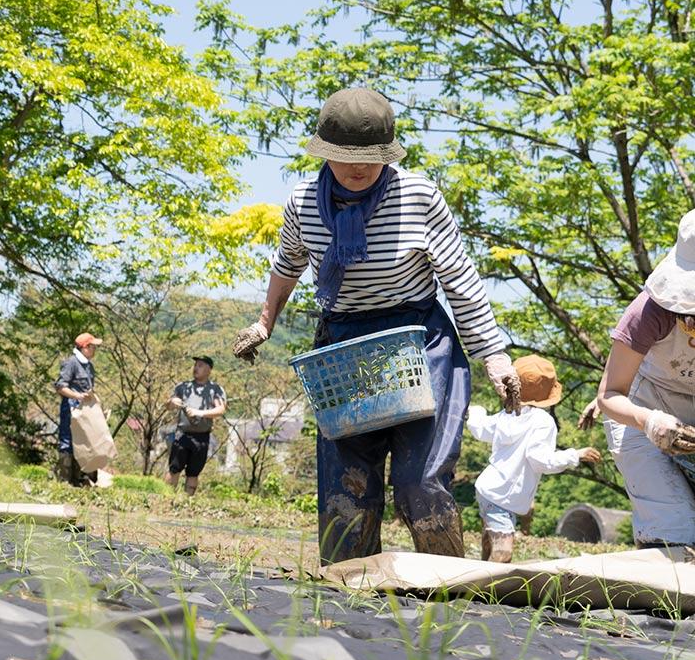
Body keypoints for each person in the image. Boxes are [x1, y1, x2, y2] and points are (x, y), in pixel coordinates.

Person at [232, 87, 520, 564]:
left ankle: (444, 585)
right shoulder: (304, 204)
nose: (359, 168)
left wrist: (494, 355)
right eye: (346, 158)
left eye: (370, 158)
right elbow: (288, 266)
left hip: (419, 343)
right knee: (350, 486)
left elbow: (460, 282)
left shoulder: (419, 197)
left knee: (420, 481)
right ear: (325, 152)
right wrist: (265, 322)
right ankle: (352, 595)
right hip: (345, 348)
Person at [594, 210, 695, 551]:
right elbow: (610, 393)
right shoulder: (647, 314)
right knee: (677, 535)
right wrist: (650, 421)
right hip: (641, 417)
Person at [466, 355, 600, 562]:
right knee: (503, 551)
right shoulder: (543, 422)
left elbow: (480, 429)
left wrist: (476, 411)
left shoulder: (507, 415)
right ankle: (486, 589)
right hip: (503, 496)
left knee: (489, 540)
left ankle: (479, 580)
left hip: (487, 489)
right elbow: (541, 460)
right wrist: (576, 454)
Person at [165, 355, 226, 495]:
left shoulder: (215, 390)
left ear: (209, 370)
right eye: (195, 365)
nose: (196, 368)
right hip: (182, 434)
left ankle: (188, 501)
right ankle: (166, 498)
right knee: (174, 468)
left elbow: (220, 409)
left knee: (193, 472)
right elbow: (168, 406)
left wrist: (199, 413)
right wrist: (171, 402)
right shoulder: (183, 387)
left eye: (200, 365)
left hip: (202, 437)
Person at [54, 332, 101, 482]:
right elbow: (60, 387)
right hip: (70, 408)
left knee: (85, 442)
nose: (95, 350)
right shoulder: (71, 363)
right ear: (85, 347)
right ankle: (65, 480)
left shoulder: (89, 366)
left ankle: (81, 479)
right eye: (93, 347)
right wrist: (77, 396)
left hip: (85, 410)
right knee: (67, 441)